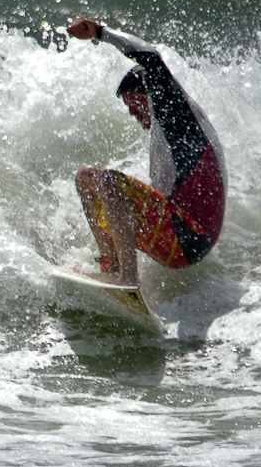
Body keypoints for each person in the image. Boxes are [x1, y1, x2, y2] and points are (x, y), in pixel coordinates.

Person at [66, 15, 226, 287]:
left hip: (192, 236)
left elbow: (150, 56)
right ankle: (111, 265)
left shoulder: (174, 109)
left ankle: (127, 278)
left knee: (109, 180)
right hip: (175, 229)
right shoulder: (165, 135)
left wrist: (101, 32)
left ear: (151, 93)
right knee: (86, 176)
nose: (131, 112)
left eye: (133, 103)